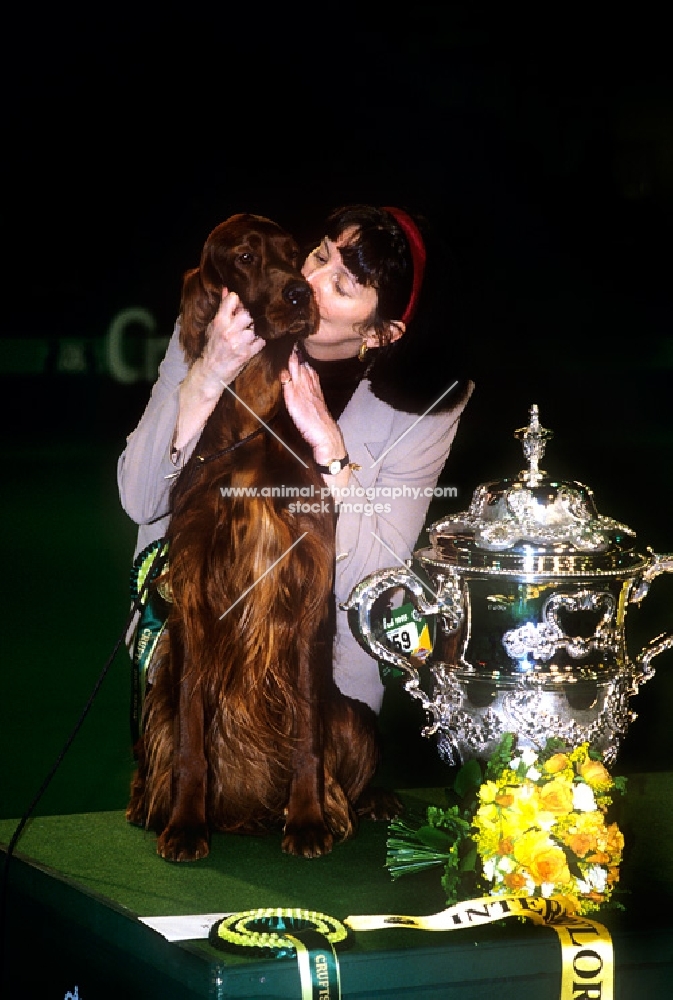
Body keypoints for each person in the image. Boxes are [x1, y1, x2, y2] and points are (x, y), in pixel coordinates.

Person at [118, 204, 473, 713]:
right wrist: (205, 378)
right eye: (319, 254)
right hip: (192, 656)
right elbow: (138, 498)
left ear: (380, 333)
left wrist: (332, 453)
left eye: (343, 286)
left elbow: (375, 584)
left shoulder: (425, 408)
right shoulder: (222, 322)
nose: (309, 279)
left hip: (318, 677)